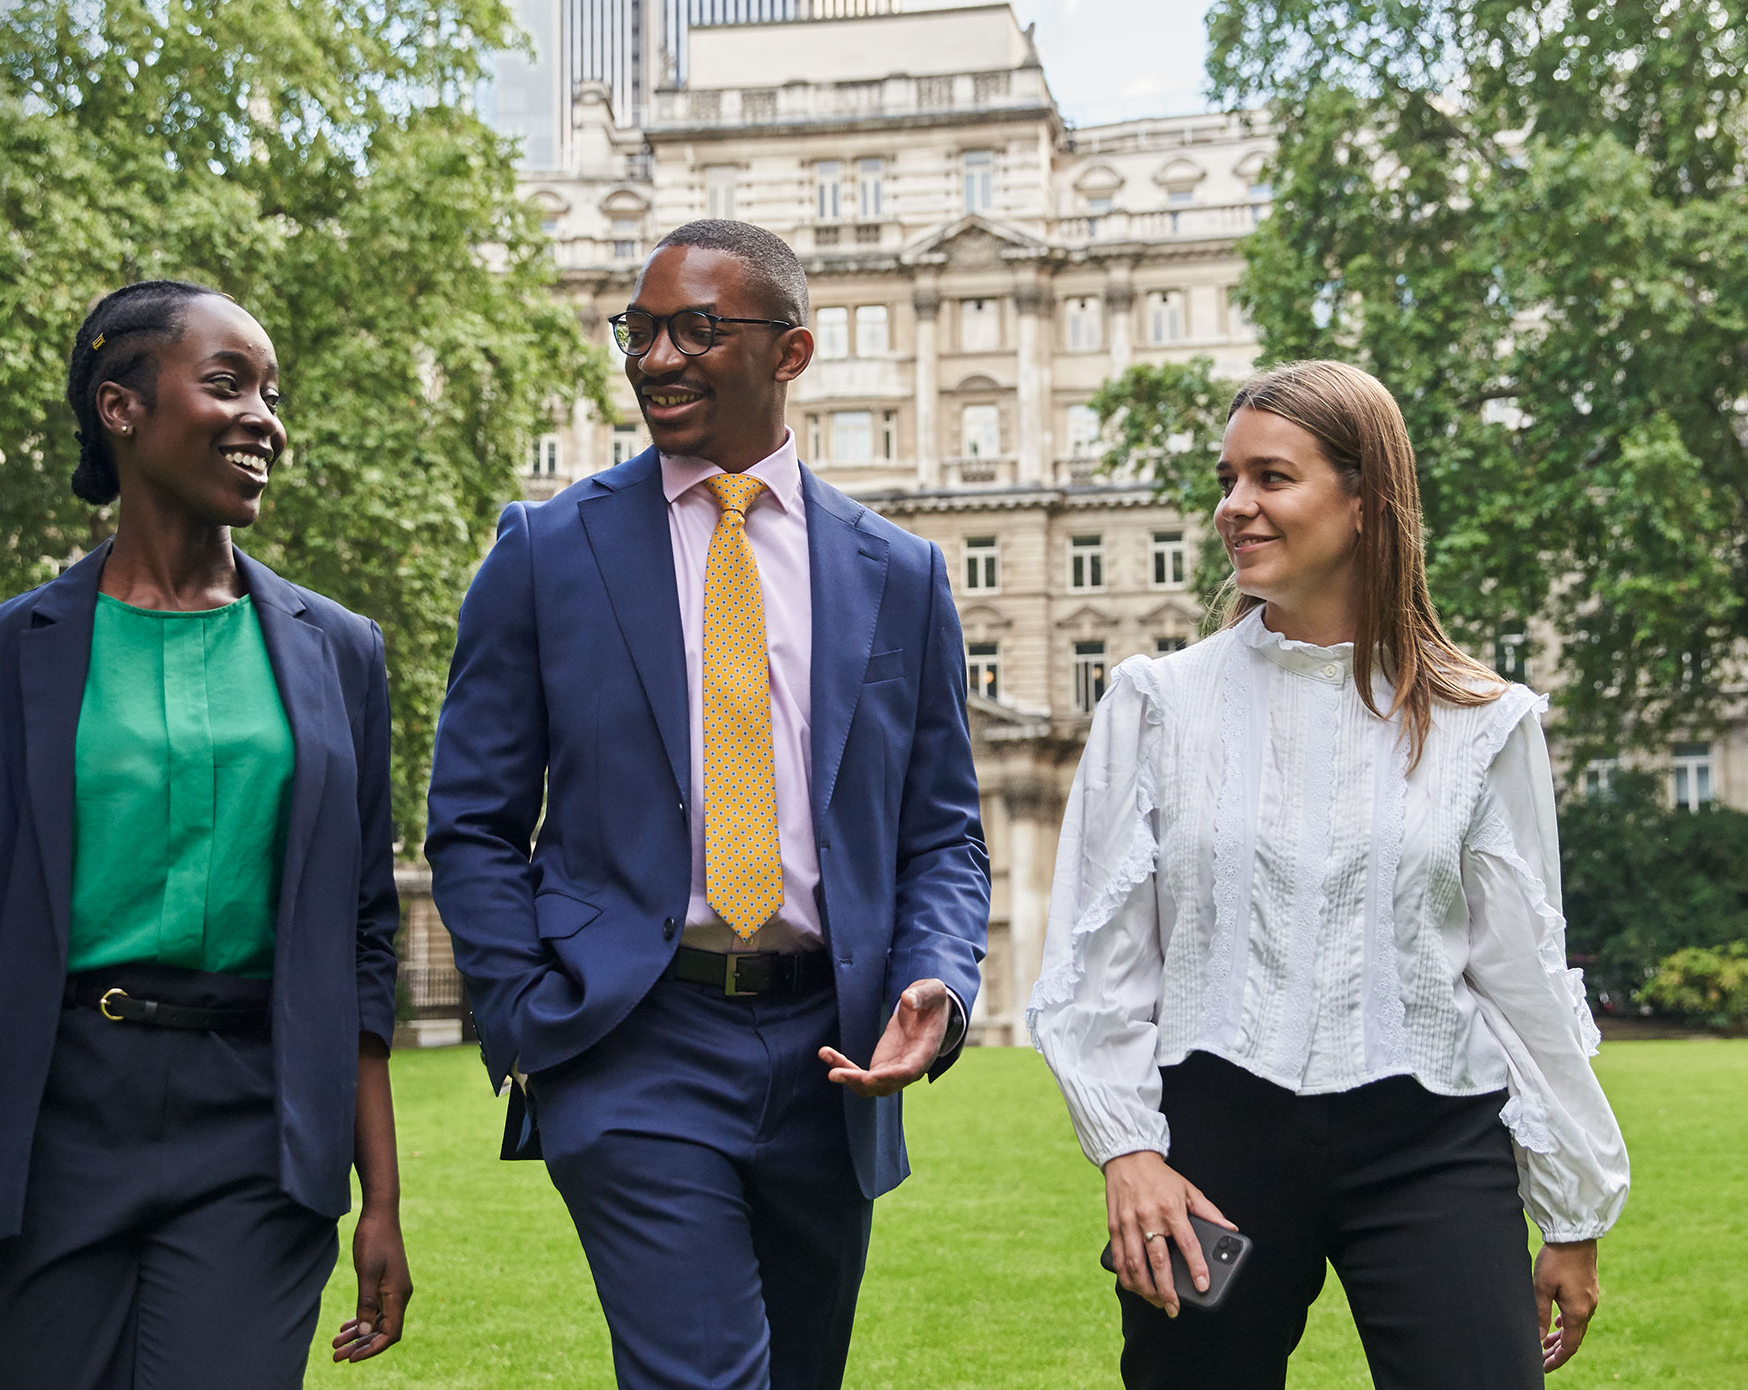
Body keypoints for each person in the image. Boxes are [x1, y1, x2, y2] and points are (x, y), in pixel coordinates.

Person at [426, 220, 991, 1390]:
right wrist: (526, 1009)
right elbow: (473, 820)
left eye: (695, 330)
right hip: (634, 1039)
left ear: (792, 352)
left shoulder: (902, 572)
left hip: (832, 1054)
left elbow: (940, 830)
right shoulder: (544, 550)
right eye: (638, 331)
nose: (655, 358)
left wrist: (938, 977)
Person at [0, 281, 410, 1389]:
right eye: (228, 384)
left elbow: (362, 939)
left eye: (273, 395)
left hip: (255, 1127)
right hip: (37, 1126)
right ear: (121, 407)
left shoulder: (342, 651)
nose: (264, 420)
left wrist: (381, 1200)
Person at [1028, 360, 1628, 1389]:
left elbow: (1522, 976)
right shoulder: (1156, 704)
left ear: (1365, 501)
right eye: (1227, 479)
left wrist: (1572, 1214)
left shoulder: (1487, 723)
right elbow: (1102, 958)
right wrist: (1128, 1152)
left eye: (1271, 477)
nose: (1234, 506)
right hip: (1210, 1152)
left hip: (1434, 1143)